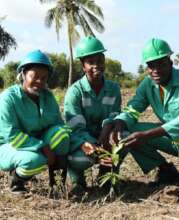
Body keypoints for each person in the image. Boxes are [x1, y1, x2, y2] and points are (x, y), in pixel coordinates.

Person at [110, 38, 179, 188]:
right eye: (151, 65)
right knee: (129, 133)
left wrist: (147, 135)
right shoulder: (148, 84)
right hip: (170, 136)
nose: (156, 70)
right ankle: (165, 171)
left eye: (161, 64)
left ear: (170, 62)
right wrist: (120, 122)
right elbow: (133, 108)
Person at [0, 50, 70, 194]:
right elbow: (12, 135)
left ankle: (57, 185)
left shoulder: (47, 97)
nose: (39, 81)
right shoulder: (7, 99)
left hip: (39, 142)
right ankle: (17, 182)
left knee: (62, 135)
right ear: (23, 75)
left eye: (44, 78)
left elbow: (58, 123)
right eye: (34, 76)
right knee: (35, 159)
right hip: (8, 146)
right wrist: (43, 146)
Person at [64, 36, 123, 192]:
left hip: (105, 139)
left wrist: (107, 135)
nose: (96, 65)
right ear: (83, 66)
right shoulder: (75, 92)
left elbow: (115, 117)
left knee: (125, 137)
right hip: (83, 141)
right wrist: (96, 146)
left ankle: (107, 175)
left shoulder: (114, 89)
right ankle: (77, 180)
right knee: (78, 159)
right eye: (91, 62)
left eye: (100, 61)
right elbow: (75, 128)